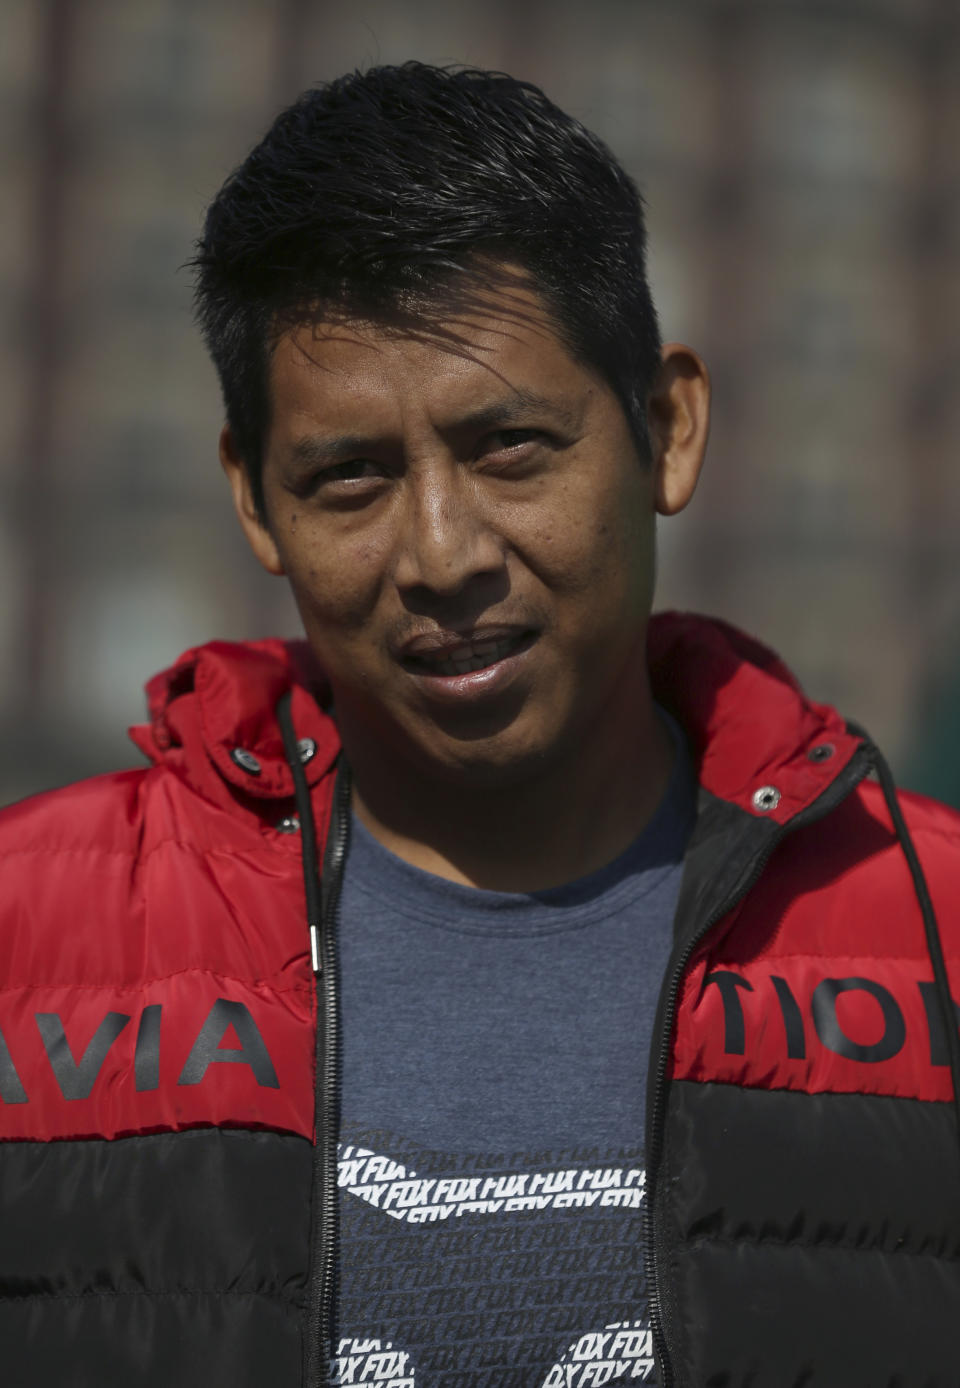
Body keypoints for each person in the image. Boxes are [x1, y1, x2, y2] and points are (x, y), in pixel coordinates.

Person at [1, 61, 958, 1388]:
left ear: (668, 431)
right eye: (351, 477)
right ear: (255, 502)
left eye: (511, 446)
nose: (443, 552)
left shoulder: (932, 927)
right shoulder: (27, 944)